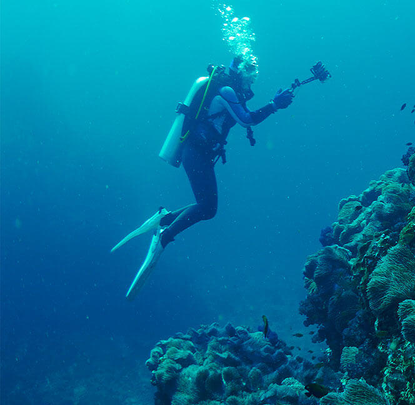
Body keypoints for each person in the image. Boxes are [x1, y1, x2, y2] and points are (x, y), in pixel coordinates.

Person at [114, 56, 294, 299]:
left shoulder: (227, 87)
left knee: (207, 207)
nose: (252, 82)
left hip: (200, 153)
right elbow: (246, 119)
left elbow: (242, 114)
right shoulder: (227, 89)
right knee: (207, 207)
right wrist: (274, 105)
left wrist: (274, 103)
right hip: (196, 153)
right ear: (241, 72)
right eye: (251, 76)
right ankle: (163, 237)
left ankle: (164, 218)